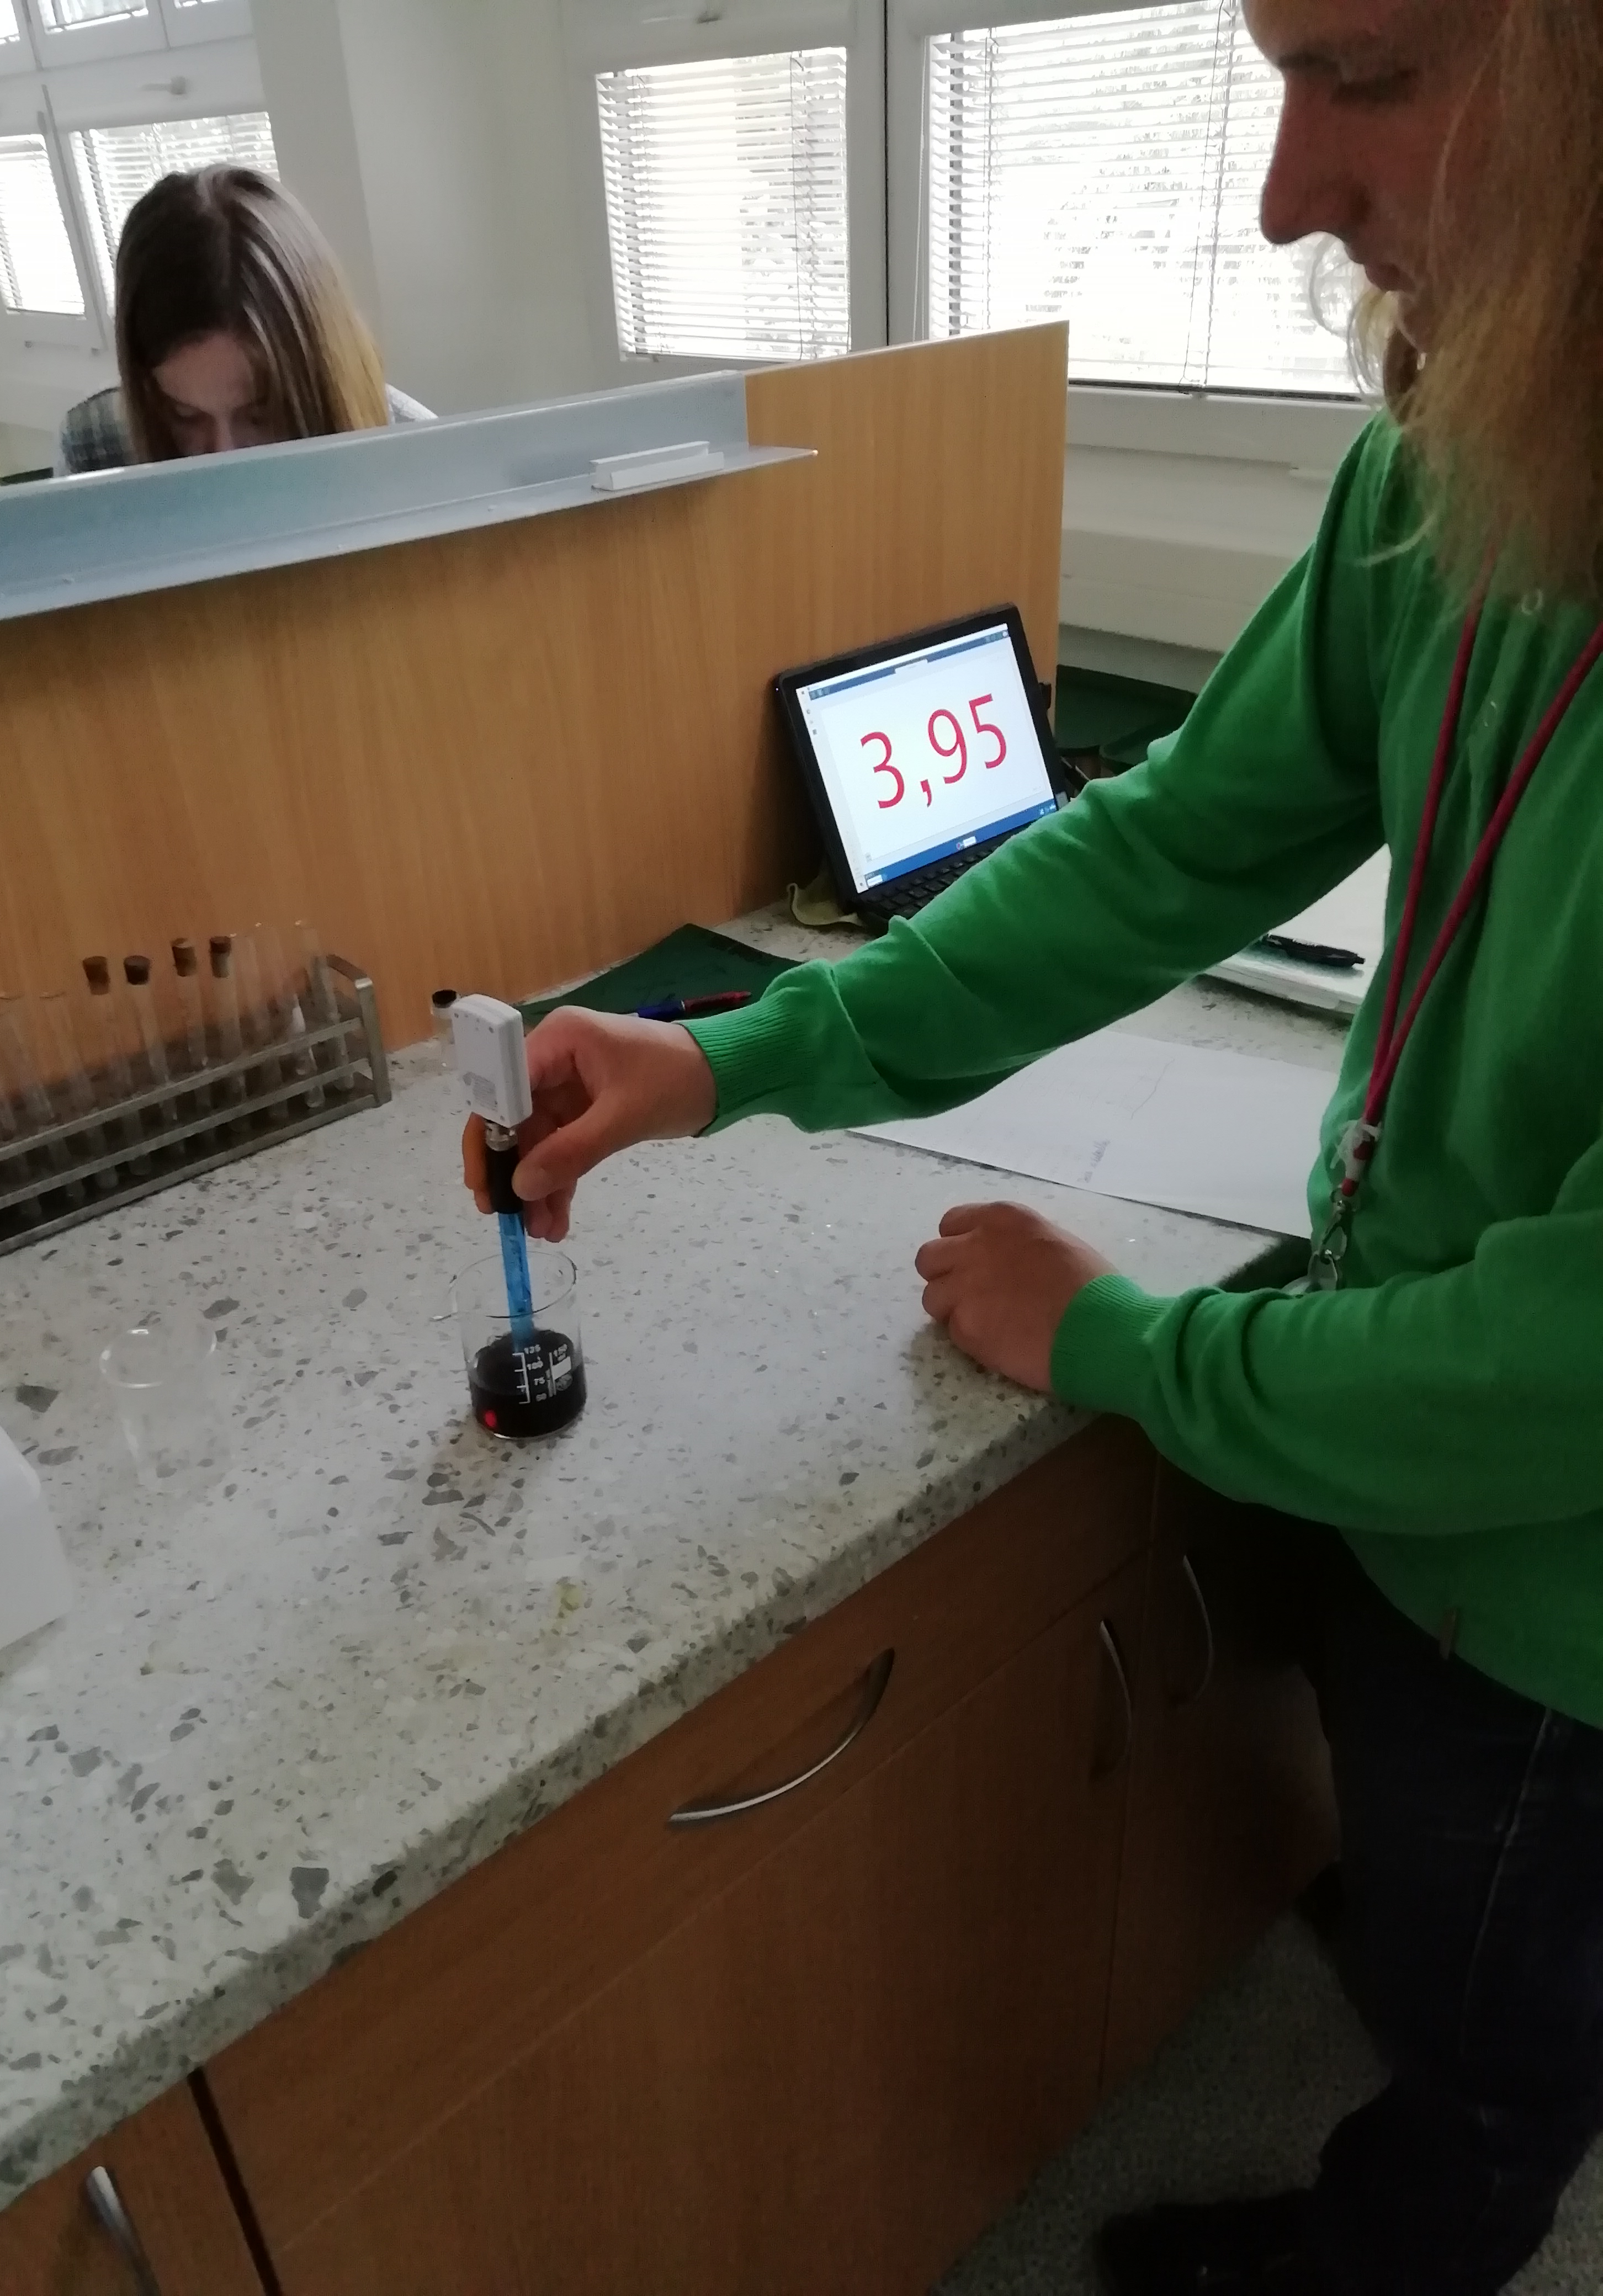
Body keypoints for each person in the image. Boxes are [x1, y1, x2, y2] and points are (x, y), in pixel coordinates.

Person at [464, 2, 1603, 2290]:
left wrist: (1128, 1350)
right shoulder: (1464, 456)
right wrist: (740, 1053)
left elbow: (1566, 1360)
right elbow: (1169, 842)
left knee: (1501, 2031)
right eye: (1275, 77)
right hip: (1406, 1453)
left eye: (1370, 75)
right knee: (1430, 1859)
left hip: (1564, 1594)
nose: (1284, 196)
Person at [55, 166, 433, 474]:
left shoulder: (419, 456)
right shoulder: (93, 448)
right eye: (185, 416)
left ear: (319, 381)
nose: (226, 456)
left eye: (260, 415)